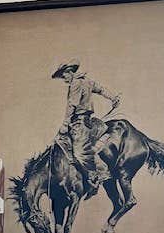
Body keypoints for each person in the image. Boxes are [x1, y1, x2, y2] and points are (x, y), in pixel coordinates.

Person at [52, 59, 121, 198]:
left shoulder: (76, 83)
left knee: (79, 154)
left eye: (64, 75)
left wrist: (65, 124)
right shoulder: (87, 81)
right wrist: (113, 97)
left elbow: (72, 105)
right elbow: (101, 89)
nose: (64, 79)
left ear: (70, 72)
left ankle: (99, 175)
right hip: (87, 121)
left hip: (79, 123)